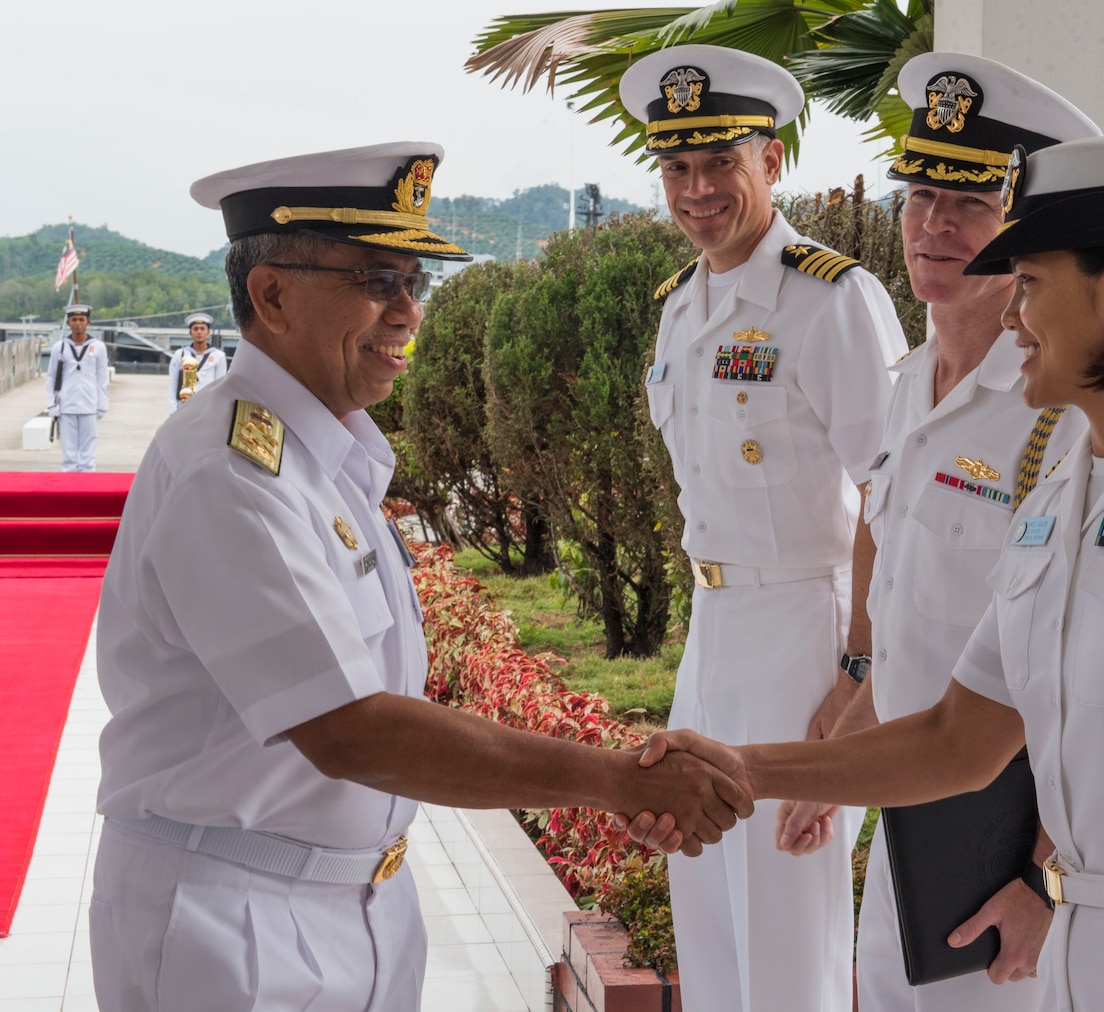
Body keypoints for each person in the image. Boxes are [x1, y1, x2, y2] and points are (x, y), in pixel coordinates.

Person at [634, 134, 1104, 1012]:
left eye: (1028, 283)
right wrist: (733, 768)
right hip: (1080, 955)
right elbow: (954, 740)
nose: (1011, 316)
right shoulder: (1061, 500)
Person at [90, 142, 750, 1012]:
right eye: (375, 281)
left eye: (416, 283)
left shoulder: (330, 456)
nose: (407, 313)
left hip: (357, 908)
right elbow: (352, 732)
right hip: (232, 929)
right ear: (272, 295)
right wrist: (620, 780)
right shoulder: (230, 474)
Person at [770, 53, 1099, 1012]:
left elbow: (1090, 680)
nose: (933, 224)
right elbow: (911, 622)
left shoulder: (1063, 418)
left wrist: (1047, 877)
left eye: (969, 204)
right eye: (920, 193)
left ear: (1025, 232)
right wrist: (838, 759)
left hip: (1007, 851)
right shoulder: (908, 384)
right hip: (910, 827)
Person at [619, 44, 908, 1012]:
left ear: (771, 162)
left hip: (803, 629)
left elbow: (892, 496)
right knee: (705, 889)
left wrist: (859, 678)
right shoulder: (679, 307)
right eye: (676, 168)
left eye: (720, 165)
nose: (697, 190)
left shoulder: (829, 299)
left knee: (789, 905)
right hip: (716, 628)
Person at [46, 303, 109, 471]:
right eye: (74, 319)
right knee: (68, 452)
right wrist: (51, 403)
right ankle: (68, 484)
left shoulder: (98, 347)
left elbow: (102, 378)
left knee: (89, 452)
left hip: (89, 403)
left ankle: (88, 484)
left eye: (81, 319)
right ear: (68, 323)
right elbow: (51, 377)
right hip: (67, 403)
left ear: (88, 322)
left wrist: (102, 404)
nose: (77, 323)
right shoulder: (60, 347)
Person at [167, 311, 227, 413]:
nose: (199, 332)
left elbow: (220, 386)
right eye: (195, 329)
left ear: (208, 332)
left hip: (207, 407)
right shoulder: (180, 354)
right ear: (190, 332)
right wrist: (173, 411)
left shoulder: (218, 356)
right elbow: (173, 384)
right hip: (184, 406)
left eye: (202, 329)